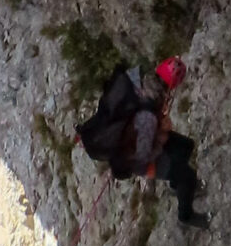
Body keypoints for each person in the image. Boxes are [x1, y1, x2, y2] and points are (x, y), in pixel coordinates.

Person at [76, 55, 208, 226]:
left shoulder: (138, 82)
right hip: (138, 161)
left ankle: (179, 187)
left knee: (186, 146)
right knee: (187, 175)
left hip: (141, 141)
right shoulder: (147, 117)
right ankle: (186, 216)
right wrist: (161, 138)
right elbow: (143, 156)